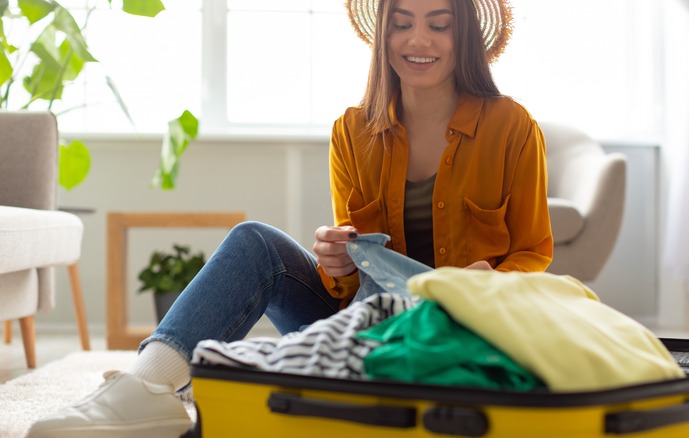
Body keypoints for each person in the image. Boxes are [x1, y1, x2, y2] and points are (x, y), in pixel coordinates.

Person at [27, 0, 552, 436]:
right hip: (364, 320)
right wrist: (336, 263)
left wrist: (488, 283)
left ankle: (292, 381)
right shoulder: (352, 131)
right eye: (402, 22)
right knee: (255, 241)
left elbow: (534, 252)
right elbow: (345, 285)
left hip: (454, 328)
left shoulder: (512, 128)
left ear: (463, 35)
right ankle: (147, 386)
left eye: (439, 25)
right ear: (383, 34)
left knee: (284, 375)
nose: (419, 40)